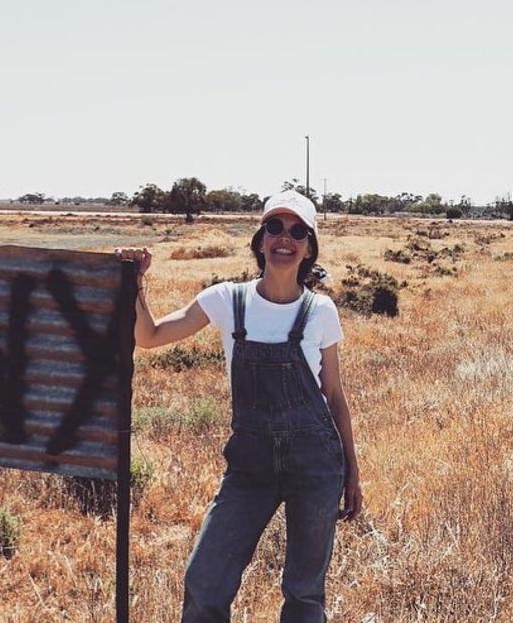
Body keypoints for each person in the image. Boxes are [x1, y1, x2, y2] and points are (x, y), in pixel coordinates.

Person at [118, 190, 362, 623]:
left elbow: (335, 397)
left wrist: (353, 475)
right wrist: (134, 280)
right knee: (205, 581)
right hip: (250, 467)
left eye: (297, 231)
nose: (284, 239)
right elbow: (150, 336)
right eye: (275, 227)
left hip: (315, 466)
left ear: (309, 248)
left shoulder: (320, 311)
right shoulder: (226, 300)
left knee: (304, 595)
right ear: (260, 238)